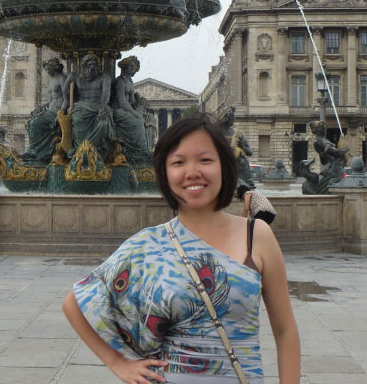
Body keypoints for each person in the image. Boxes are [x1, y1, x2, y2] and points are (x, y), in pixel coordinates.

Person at [62, 116, 300, 383]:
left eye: (205, 160)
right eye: (178, 162)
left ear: (224, 166)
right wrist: (118, 363)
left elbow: (285, 331)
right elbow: (74, 303)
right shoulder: (147, 243)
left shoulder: (256, 235)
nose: (192, 172)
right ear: (165, 173)